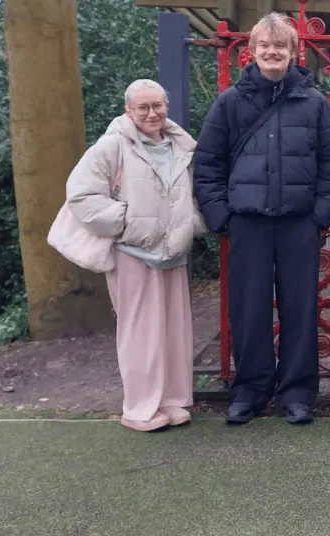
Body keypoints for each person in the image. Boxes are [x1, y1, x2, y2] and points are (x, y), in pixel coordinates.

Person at [194, 13, 330, 426]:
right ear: (253, 51)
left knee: (300, 310)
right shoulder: (230, 101)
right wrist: (222, 217)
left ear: (294, 52)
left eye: (280, 46)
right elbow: (207, 165)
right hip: (248, 224)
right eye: (265, 46)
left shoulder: (314, 103)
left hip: (299, 224)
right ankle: (250, 391)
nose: (272, 52)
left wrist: (319, 217)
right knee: (249, 311)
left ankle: (297, 394)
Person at [66, 80, 205, 432]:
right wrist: (127, 222)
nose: (151, 113)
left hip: (173, 251)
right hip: (132, 252)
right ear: (128, 110)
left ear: (166, 106)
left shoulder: (181, 144)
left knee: (174, 331)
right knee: (140, 332)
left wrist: (191, 224)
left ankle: (172, 401)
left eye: (157, 105)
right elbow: (81, 196)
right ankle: (141, 408)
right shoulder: (111, 146)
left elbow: (195, 193)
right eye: (142, 107)